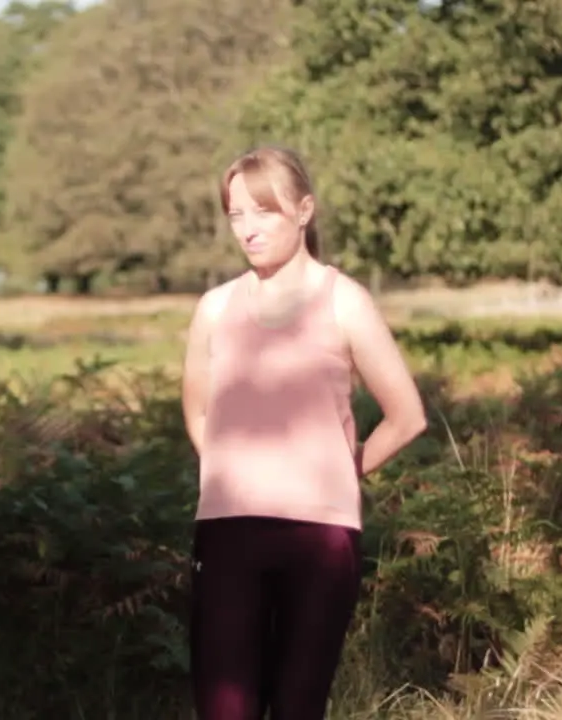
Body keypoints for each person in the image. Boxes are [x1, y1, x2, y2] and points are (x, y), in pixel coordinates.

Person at [180, 145, 428, 720]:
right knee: (224, 709)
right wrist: (232, 474)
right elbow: (198, 414)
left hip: (321, 537)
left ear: (304, 210)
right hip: (228, 531)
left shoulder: (345, 301)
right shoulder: (214, 309)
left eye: (263, 211)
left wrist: (342, 470)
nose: (247, 228)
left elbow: (407, 416)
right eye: (235, 214)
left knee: (298, 706)